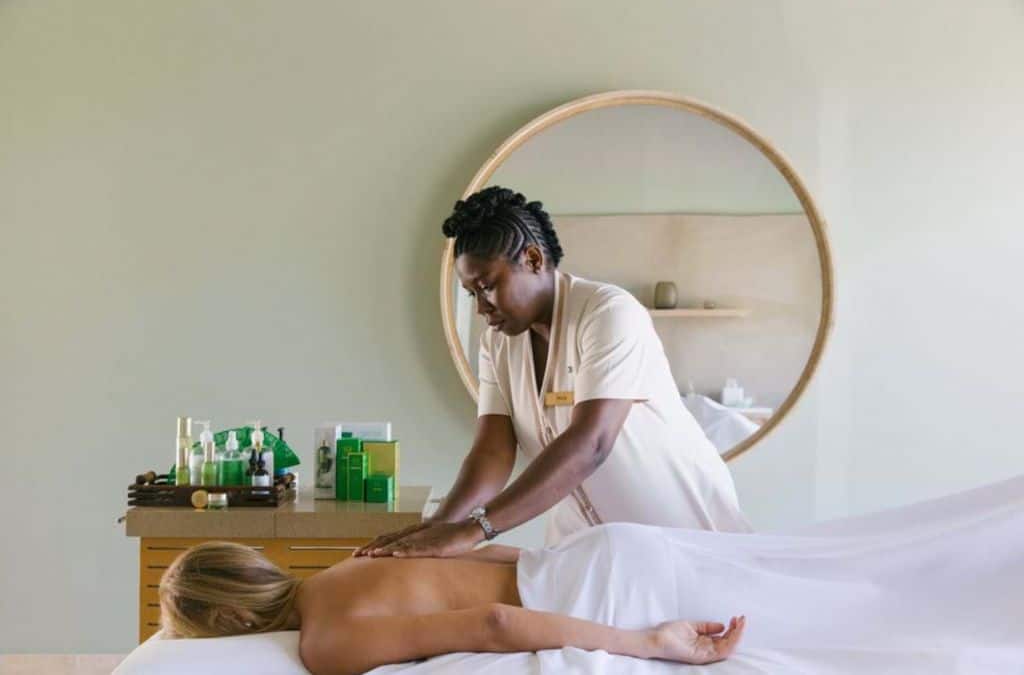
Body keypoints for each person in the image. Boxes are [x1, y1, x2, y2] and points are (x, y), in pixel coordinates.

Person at [357, 187, 750, 560]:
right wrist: (440, 525)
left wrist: (473, 530)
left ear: (532, 259)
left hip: (687, 537)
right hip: (592, 552)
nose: (481, 307)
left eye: (487, 287)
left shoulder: (608, 313)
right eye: (472, 293)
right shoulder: (498, 343)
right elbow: (492, 450)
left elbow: (591, 442)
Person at [158, 526, 746, 675]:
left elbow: (492, 623)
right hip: (597, 554)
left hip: (590, 597)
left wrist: (646, 643)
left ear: (232, 620)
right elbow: (487, 556)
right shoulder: (346, 565)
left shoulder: (326, 643)